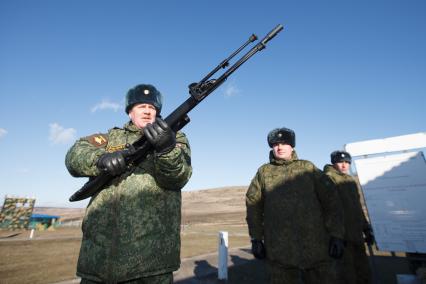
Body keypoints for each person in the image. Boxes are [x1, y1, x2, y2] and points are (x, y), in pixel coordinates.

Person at [65, 84, 192, 283]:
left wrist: (166, 149)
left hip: (151, 265)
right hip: (99, 261)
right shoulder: (107, 139)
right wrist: (100, 159)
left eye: (152, 108)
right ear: (130, 111)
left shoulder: (175, 138)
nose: (148, 111)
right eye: (142, 106)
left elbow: (178, 177)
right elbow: (74, 155)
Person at [246, 127, 345, 284]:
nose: (279, 147)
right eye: (275, 144)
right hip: (279, 253)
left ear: (292, 146)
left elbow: (331, 200)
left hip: (316, 248)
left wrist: (337, 235)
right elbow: (253, 206)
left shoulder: (307, 168)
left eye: (284, 143)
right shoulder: (263, 173)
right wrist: (256, 238)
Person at [324, 151, 374, 284]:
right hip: (342, 238)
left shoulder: (351, 181)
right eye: (341, 162)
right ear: (334, 163)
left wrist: (366, 229)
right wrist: (335, 235)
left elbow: (357, 207)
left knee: (364, 273)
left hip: (356, 235)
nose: (344, 165)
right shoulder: (328, 179)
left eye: (347, 162)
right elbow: (328, 210)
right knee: (346, 276)